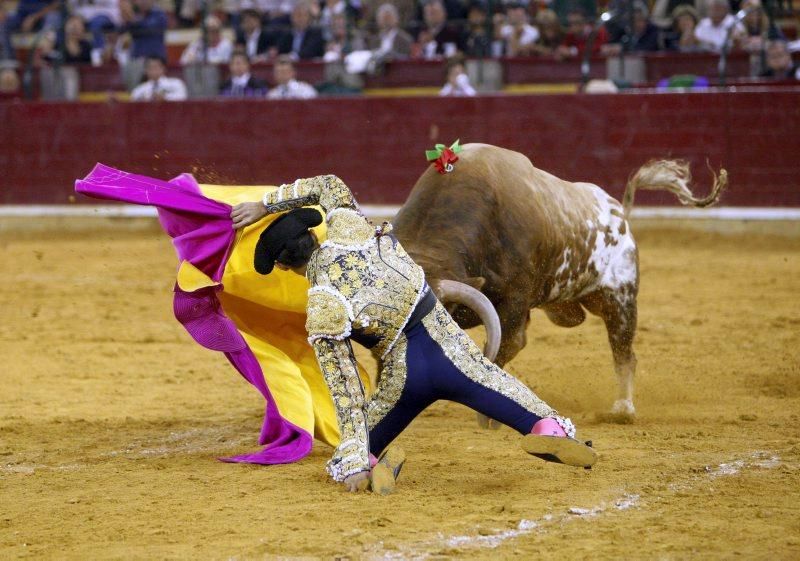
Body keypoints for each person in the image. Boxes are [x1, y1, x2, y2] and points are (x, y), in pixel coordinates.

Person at [229, 175, 597, 492]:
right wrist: (265, 204)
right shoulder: (350, 228)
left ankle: (368, 466)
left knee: (349, 456)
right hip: (451, 350)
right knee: (504, 390)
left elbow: (346, 390)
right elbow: (329, 185)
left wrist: (354, 458)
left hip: (403, 377)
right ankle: (550, 430)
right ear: (313, 233)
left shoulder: (323, 305)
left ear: (281, 265)